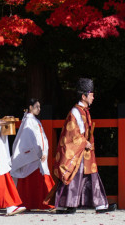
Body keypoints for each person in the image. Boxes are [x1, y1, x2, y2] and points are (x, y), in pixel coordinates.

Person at [54, 78, 117, 214]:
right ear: (84, 96)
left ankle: (97, 205)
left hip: (85, 151)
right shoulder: (75, 112)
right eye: (91, 94)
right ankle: (67, 205)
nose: (93, 97)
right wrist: (84, 142)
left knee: (88, 176)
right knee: (76, 175)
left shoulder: (83, 111)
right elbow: (72, 134)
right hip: (79, 150)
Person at [11, 99, 54, 210]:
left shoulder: (34, 120)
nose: (39, 109)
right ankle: (41, 202)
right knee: (37, 179)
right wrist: (39, 152)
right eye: (37, 106)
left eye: (40, 107)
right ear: (30, 107)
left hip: (37, 154)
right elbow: (27, 140)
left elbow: (41, 138)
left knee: (38, 179)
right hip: (33, 156)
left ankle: (37, 202)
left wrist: (44, 150)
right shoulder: (28, 121)